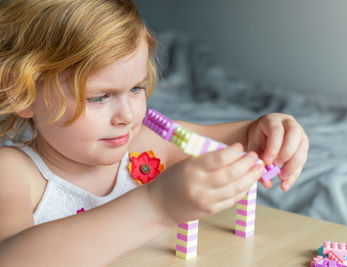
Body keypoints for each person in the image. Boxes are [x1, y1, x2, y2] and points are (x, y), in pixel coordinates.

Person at [0, 0, 309, 266]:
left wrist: (271, 131)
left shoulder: (147, 142)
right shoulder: (12, 173)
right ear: (22, 93)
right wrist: (155, 206)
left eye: (136, 88)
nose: (128, 116)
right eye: (98, 97)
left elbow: (240, 138)